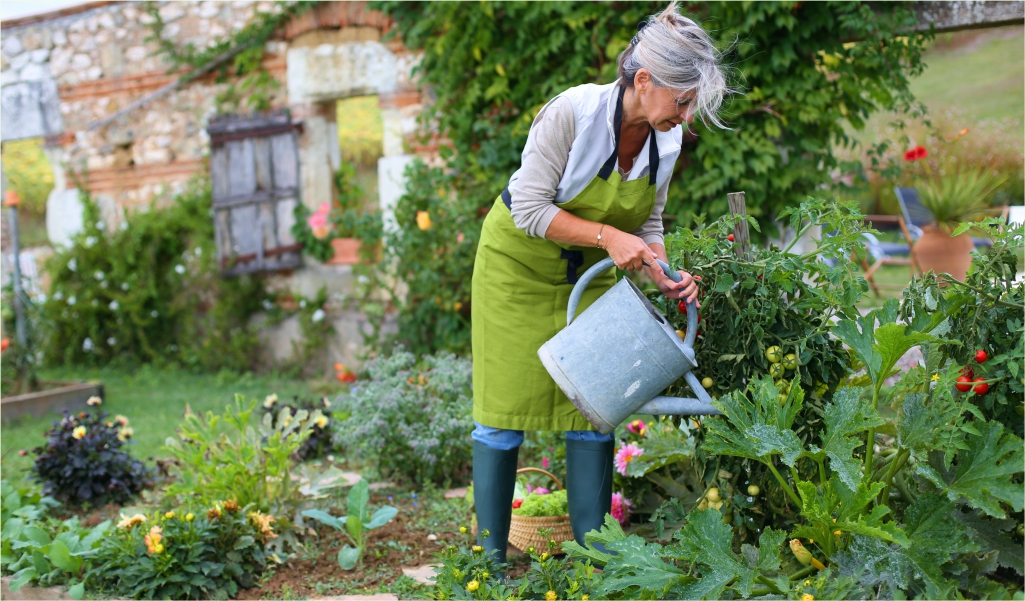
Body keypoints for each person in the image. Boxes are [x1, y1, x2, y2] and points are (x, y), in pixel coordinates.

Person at [470, 2, 731, 563]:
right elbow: (530, 209)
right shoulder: (573, 113)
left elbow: (651, 221)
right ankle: (487, 562)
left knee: (596, 403)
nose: (686, 117)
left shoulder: (667, 140)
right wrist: (610, 237)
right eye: (682, 101)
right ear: (644, 80)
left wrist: (662, 271)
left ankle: (595, 557)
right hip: (516, 271)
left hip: (585, 277)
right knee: (501, 414)